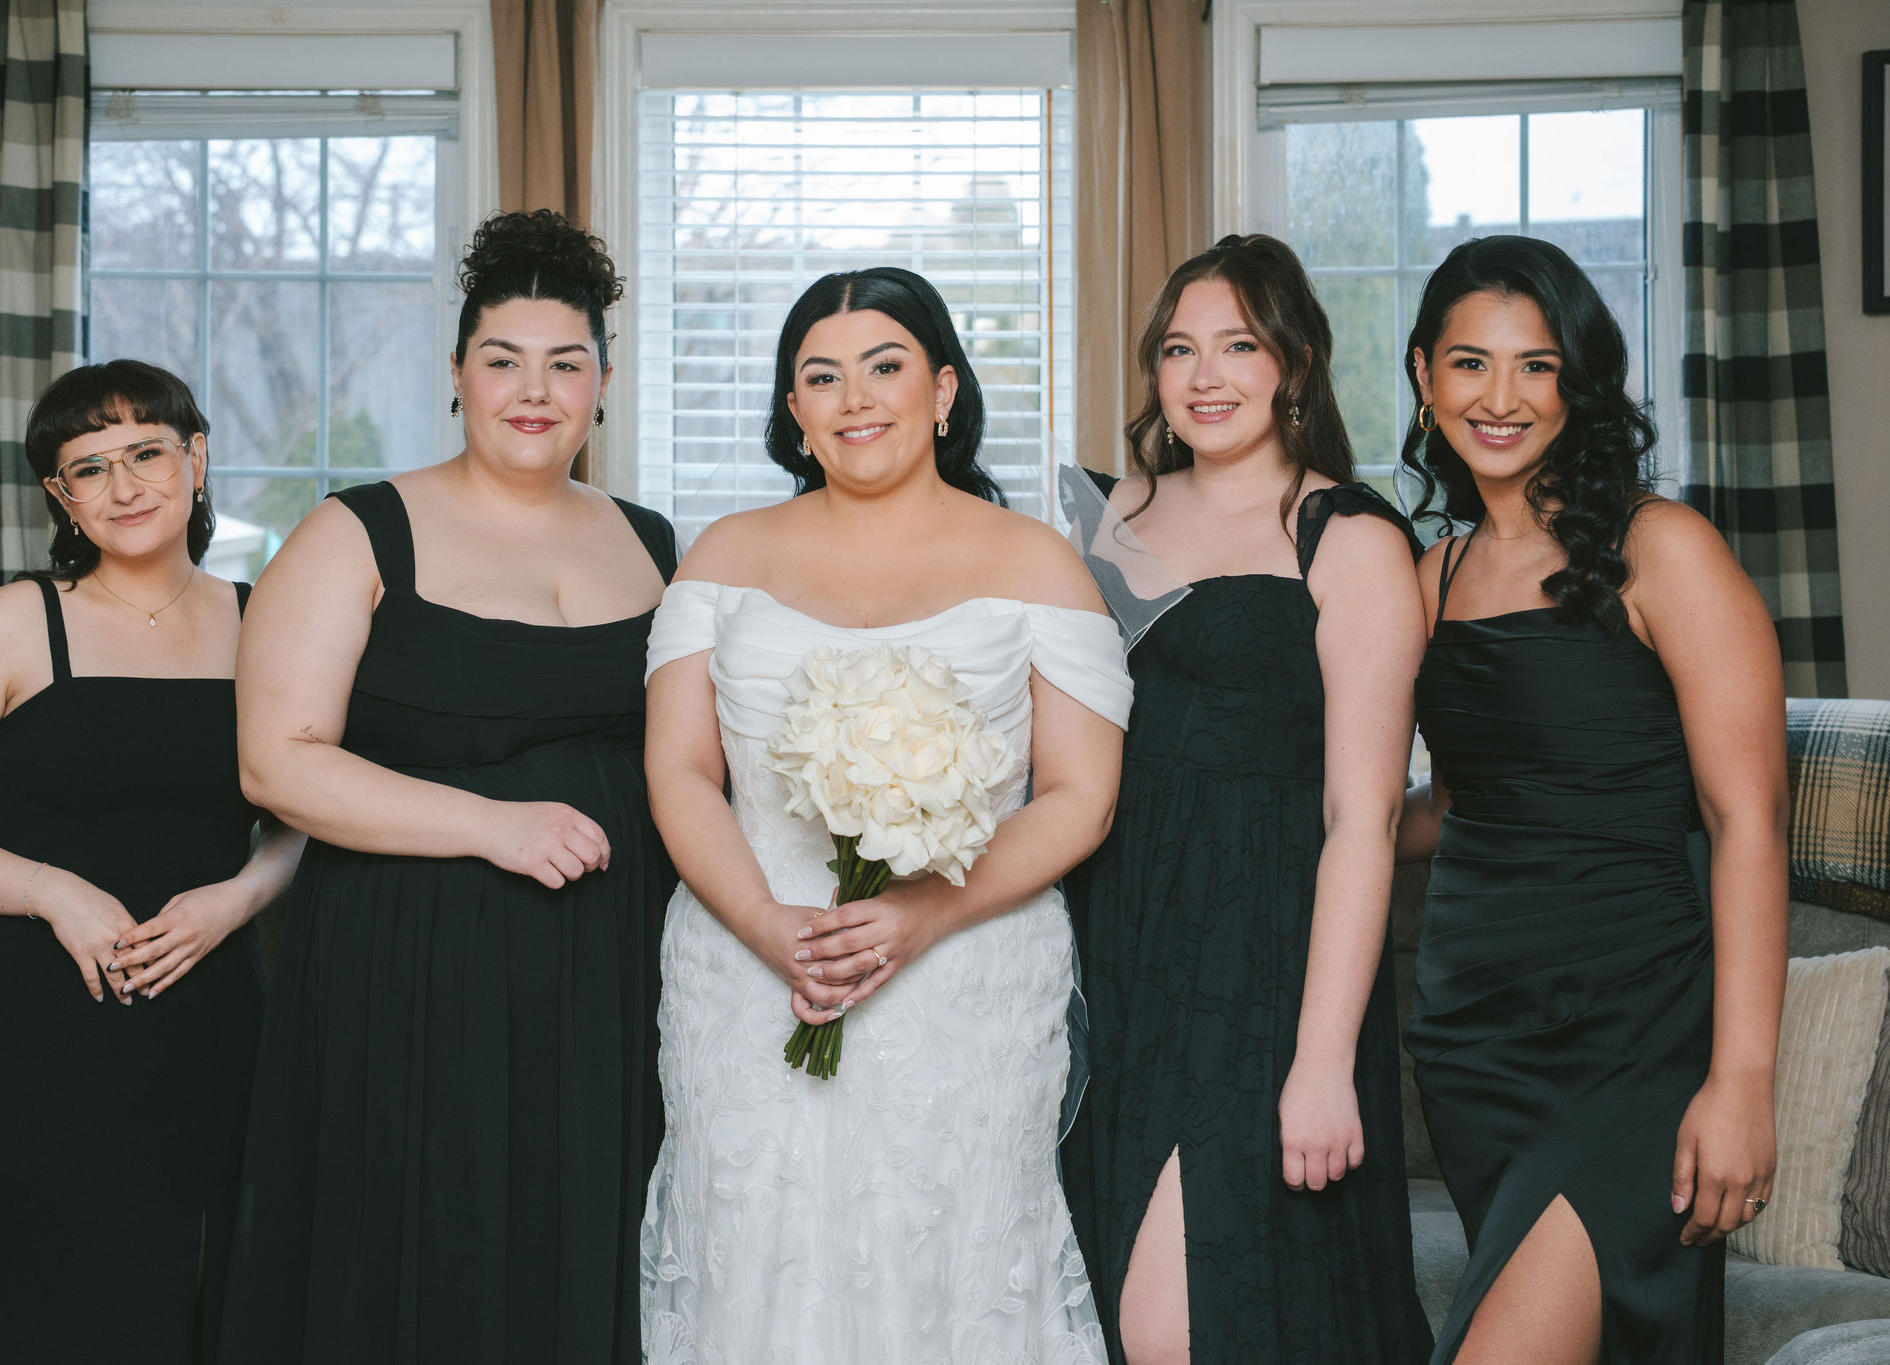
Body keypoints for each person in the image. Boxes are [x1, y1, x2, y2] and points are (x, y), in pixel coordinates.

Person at [639, 265, 1131, 1363]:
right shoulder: (723, 557)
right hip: (747, 965)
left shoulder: (1037, 563)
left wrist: (923, 913)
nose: (855, 398)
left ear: (943, 390)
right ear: (792, 409)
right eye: (821, 376)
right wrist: (766, 926)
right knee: (757, 1256)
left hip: (963, 966)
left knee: (947, 1258)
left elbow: (1080, 795)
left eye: (885, 366)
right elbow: (679, 771)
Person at [217, 209, 678, 1364]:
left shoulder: (655, 542)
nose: (534, 391)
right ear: (458, 375)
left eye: (565, 363)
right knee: (432, 1264)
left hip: (612, 974)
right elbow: (277, 762)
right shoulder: (352, 533)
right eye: (503, 360)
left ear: (601, 385)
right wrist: (489, 827)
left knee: (593, 1252)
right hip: (413, 968)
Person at [1396, 234, 1787, 1365]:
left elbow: (1748, 821)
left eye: (1537, 365)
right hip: (1472, 1038)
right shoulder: (1434, 577)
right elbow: (1451, 807)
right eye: (1470, 363)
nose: (1500, 398)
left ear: (1578, 380)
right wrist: (1311, 830)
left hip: (1634, 1033)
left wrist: (1741, 1081)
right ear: (1423, 375)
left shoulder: (1662, 548)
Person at [0, 360, 299, 1364]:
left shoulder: (266, 622)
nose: (124, 485)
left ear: (196, 458)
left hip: (209, 1007)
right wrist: (49, 890)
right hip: (28, 1021)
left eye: (146, 452)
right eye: (89, 467)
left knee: (199, 1305)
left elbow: (303, 817)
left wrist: (237, 899)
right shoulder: (15, 620)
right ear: (61, 496)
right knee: (40, 1311)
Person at [1059, 234, 1433, 1364]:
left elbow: (1363, 820)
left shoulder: (1348, 535)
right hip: (1107, 939)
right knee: (1091, 1297)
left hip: (1262, 953)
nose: (1204, 375)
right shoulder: (1103, 514)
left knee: (1185, 1320)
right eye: (1179, 349)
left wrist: (1322, 1062)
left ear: (1295, 364)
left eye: (1237, 345)